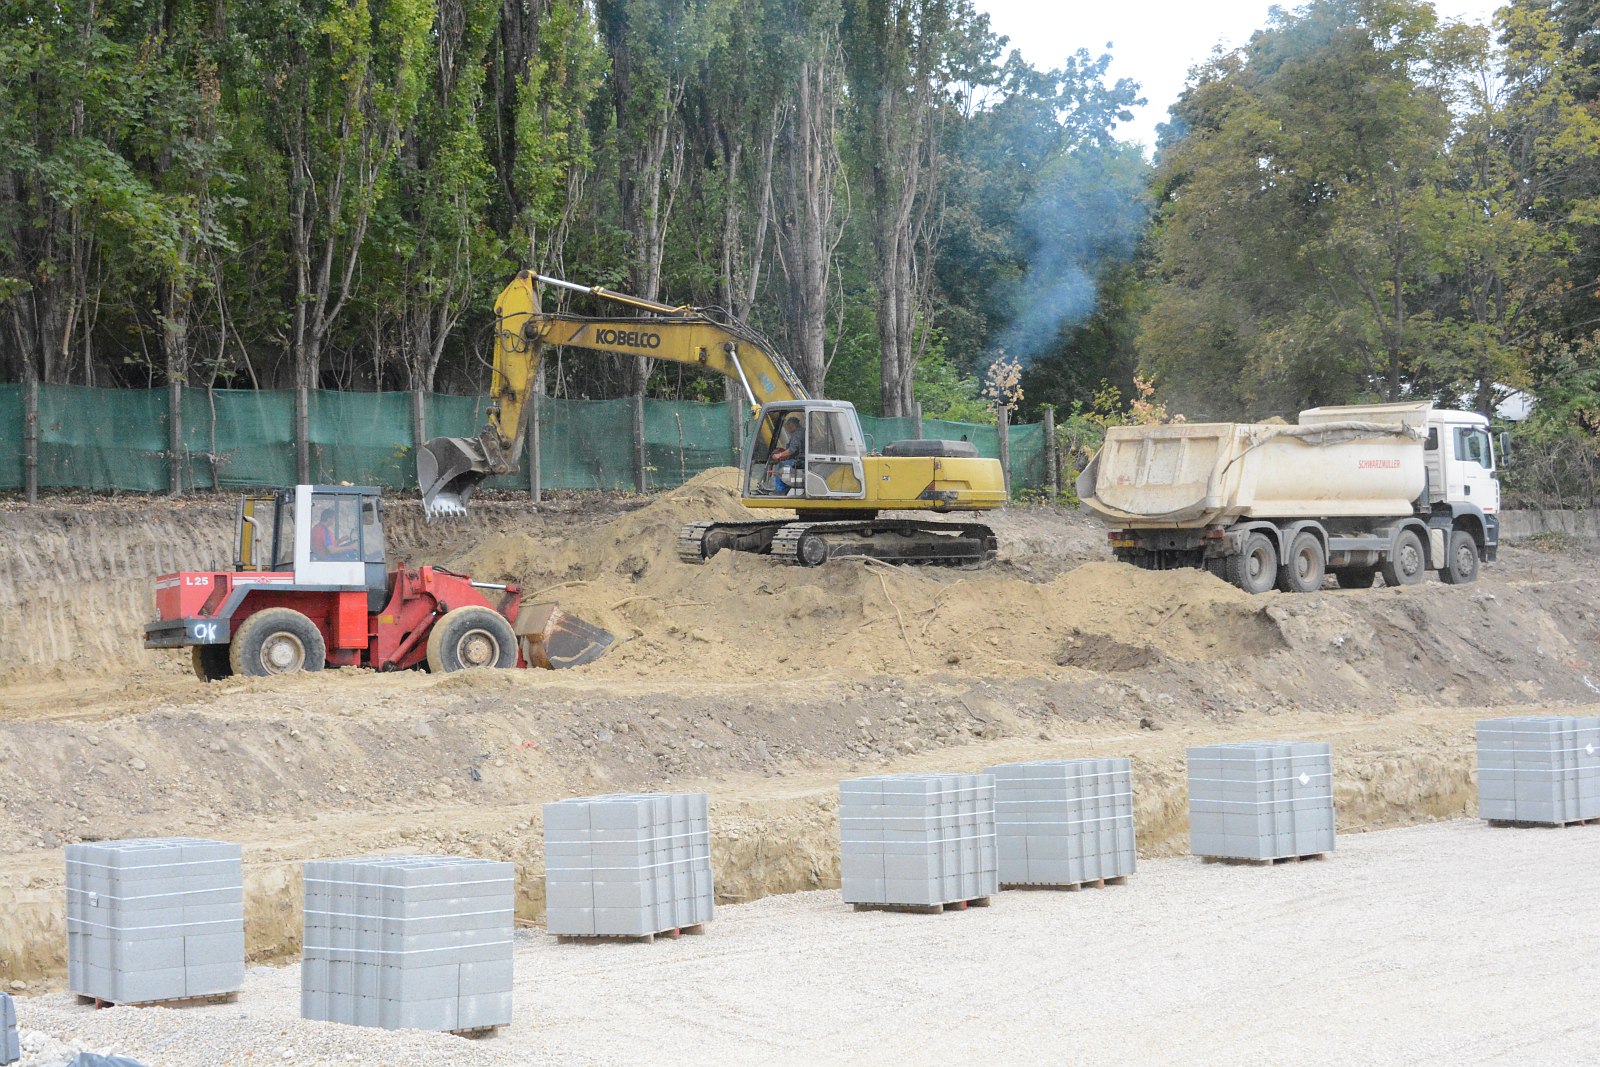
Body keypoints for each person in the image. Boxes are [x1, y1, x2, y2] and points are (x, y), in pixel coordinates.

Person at [771, 413, 806, 494]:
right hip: (802, 458)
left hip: (799, 461)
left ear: (792, 425)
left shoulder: (797, 434)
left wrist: (779, 455)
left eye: (788, 427)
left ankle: (780, 490)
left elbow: (791, 450)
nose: (787, 429)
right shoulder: (802, 431)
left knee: (780, 467)